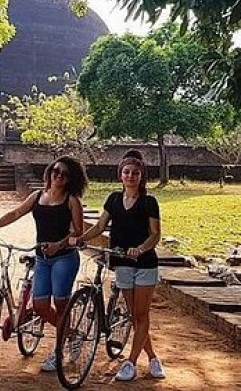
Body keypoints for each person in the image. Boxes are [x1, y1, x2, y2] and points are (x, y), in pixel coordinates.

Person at [0, 156, 87, 372]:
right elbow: (16, 213)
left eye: (64, 174)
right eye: (56, 171)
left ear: (70, 179)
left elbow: (78, 231)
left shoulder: (71, 200)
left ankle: (58, 351)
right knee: (39, 305)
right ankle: (72, 334)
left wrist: (59, 245)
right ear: (49, 172)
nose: (58, 176)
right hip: (42, 258)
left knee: (61, 303)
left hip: (64, 257)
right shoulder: (38, 196)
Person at [69, 152, 166, 381]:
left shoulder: (149, 202)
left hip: (144, 264)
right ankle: (152, 357)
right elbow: (100, 226)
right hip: (122, 262)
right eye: (126, 172)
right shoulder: (113, 199)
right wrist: (81, 238)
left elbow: (155, 234)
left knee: (141, 314)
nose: (130, 176)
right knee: (134, 316)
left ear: (141, 176)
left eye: (135, 173)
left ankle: (130, 362)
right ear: (120, 175)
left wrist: (140, 248)